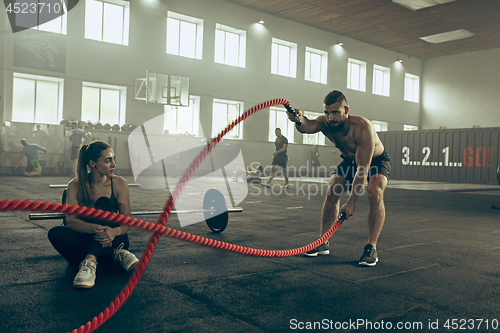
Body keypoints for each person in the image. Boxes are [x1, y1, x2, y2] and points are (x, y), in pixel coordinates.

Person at [287, 90, 391, 266]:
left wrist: (351, 201)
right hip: (351, 160)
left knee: (375, 191)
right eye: (327, 112)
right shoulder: (326, 123)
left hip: (374, 160)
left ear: (346, 110)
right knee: (333, 190)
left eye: (335, 112)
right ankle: (323, 241)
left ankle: (371, 247)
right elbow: (307, 126)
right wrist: (298, 119)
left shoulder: (362, 127)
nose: (330, 117)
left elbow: (362, 170)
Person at [47, 141, 139, 288]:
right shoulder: (75, 185)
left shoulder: (119, 183)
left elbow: (126, 221)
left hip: (115, 237)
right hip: (91, 238)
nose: (114, 164)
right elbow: (71, 222)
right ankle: (114, 254)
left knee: (104, 203)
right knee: (55, 233)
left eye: (113, 159)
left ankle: (90, 260)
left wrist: (114, 231)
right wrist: (97, 229)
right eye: (108, 160)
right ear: (92, 163)